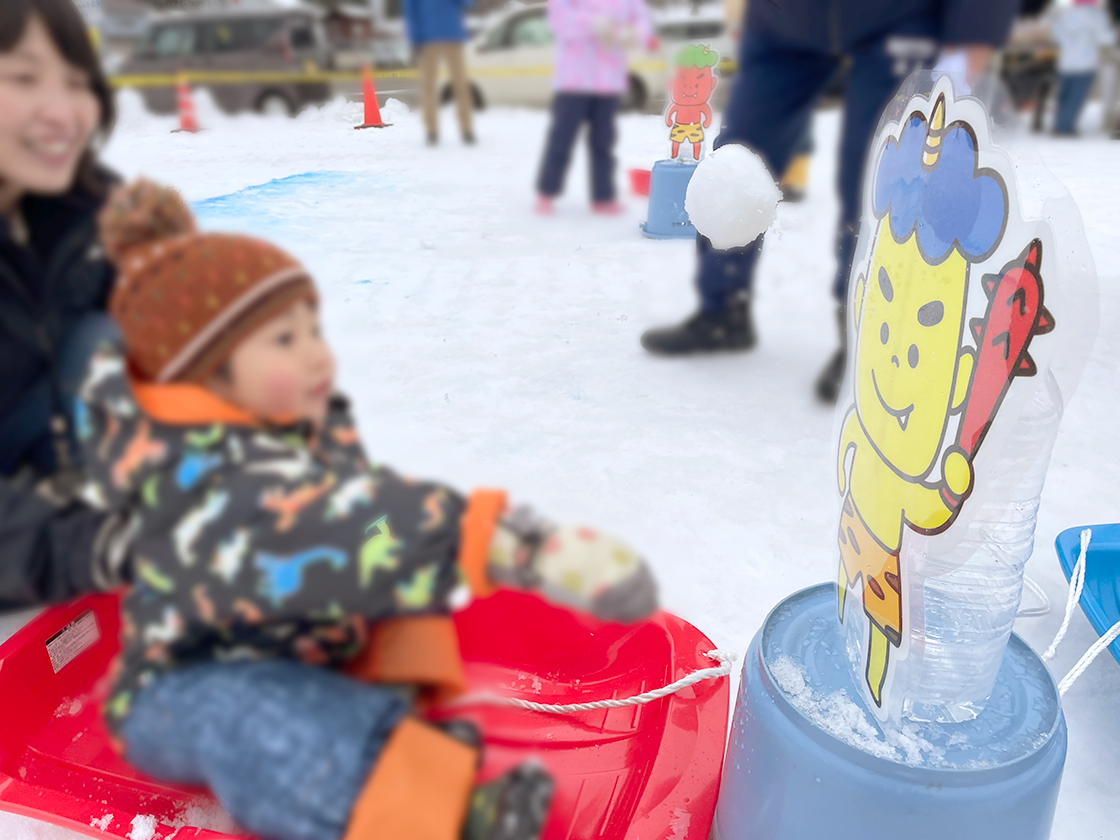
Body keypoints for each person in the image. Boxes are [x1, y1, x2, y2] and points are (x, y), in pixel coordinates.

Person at [82, 180, 659, 840]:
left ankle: (383, 731)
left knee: (399, 584)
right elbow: (322, 531)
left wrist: (402, 549)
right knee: (249, 716)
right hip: (181, 688)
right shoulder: (193, 480)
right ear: (208, 376)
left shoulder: (303, 426)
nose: (316, 355)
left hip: (298, 642)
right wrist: (494, 541)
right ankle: (421, 818)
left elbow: (368, 518)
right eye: (282, 341)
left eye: (311, 330)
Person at [640, 0, 1020, 404]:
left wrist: (974, 37)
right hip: (784, 20)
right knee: (736, 165)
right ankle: (722, 308)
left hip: (898, 18)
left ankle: (867, 337)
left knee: (876, 176)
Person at [0, 0, 131, 615]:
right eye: (23, 78)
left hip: (55, 505)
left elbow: (201, 352)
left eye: (76, 82)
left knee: (111, 336)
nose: (61, 112)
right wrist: (95, 545)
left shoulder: (86, 210)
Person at [535, 0, 654, 215]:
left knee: (603, 141)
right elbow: (559, 20)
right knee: (562, 137)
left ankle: (603, 196)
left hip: (608, 81)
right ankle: (546, 191)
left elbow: (642, 22)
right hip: (574, 80)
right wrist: (593, 23)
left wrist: (632, 33)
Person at [402, 0, 476, 146]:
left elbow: (468, 3)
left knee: (460, 84)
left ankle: (466, 129)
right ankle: (432, 131)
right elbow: (411, 10)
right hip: (428, 39)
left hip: (452, 36)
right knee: (428, 87)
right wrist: (414, 39)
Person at [1048, 0, 1116, 136]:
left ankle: (1059, 124)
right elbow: (1106, 38)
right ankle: (1065, 128)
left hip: (1065, 64)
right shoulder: (1097, 16)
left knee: (1064, 97)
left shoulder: (1066, 15)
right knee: (1075, 98)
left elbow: (1056, 35)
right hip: (1085, 65)